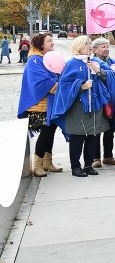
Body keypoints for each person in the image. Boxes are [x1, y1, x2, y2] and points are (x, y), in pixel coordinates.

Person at [48, 36, 112, 177]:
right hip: (78, 106)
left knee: (92, 136)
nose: (90, 46)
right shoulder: (71, 64)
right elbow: (64, 85)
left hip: (95, 105)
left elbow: (110, 77)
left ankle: (88, 165)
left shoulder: (95, 61)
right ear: (78, 46)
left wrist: (98, 71)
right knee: (78, 137)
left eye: (90, 43)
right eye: (86, 43)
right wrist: (81, 86)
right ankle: (75, 167)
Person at [18, 33, 63, 176]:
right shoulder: (34, 60)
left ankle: (47, 162)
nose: (52, 43)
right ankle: (37, 164)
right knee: (46, 132)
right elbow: (39, 82)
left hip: (51, 103)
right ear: (40, 44)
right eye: (49, 41)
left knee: (51, 131)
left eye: (52, 40)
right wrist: (59, 86)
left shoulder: (47, 57)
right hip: (40, 105)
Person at [91, 37, 115, 167]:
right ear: (95, 49)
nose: (106, 49)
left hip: (112, 100)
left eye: (108, 47)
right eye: (103, 47)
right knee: (96, 130)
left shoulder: (114, 62)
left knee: (110, 129)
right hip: (98, 100)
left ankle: (108, 156)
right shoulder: (91, 62)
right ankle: (95, 158)